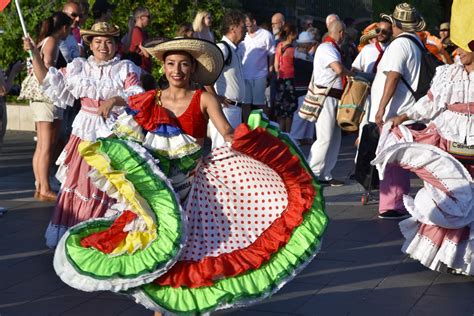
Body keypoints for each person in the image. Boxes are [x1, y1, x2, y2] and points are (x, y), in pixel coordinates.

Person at [50, 37, 328, 315]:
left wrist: (256, 141)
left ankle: (173, 309)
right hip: (158, 190)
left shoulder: (204, 98)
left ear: (193, 69)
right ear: (163, 68)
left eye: (184, 64)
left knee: (187, 254)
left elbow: (226, 132)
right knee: (156, 248)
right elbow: (131, 104)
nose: (177, 70)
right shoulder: (153, 98)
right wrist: (113, 99)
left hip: (192, 188)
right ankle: (161, 309)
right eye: (171, 63)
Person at [23, 22, 144, 247]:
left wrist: (113, 100)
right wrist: (33, 52)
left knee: (111, 186)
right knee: (82, 184)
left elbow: (136, 96)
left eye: (109, 41)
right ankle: (80, 236)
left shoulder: (125, 68)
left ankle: (106, 236)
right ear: (90, 44)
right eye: (98, 41)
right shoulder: (79, 67)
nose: (103, 46)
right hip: (85, 131)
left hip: (112, 133)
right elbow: (48, 81)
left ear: (116, 44)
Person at [373, 41, 474, 275]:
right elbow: (429, 102)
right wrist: (404, 116)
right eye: (456, 48)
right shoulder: (448, 73)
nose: (457, 53)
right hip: (450, 139)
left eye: (463, 48)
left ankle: (467, 259)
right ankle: (451, 257)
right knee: (452, 195)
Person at [371, 3, 426, 219]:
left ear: (395, 23)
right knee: (399, 159)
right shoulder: (414, 43)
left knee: (392, 159)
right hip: (405, 111)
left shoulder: (399, 45)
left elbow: (393, 76)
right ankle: (397, 202)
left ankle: (394, 205)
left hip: (397, 112)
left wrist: (381, 108)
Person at [28, 12, 72, 202]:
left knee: (41, 146)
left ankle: (40, 185)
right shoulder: (51, 42)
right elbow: (47, 67)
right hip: (47, 96)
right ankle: (44, 187)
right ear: (63, 28)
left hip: (38, 98)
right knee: (46, 145)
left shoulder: (42, 41)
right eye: (69, 28)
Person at [307, 19, 354, 187]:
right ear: (340, 33)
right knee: (325, 137)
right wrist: (351, 74)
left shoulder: (330, 47)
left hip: (333, 97)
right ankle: (311, 173)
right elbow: (339, 69)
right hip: (326, 97)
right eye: (344, 33)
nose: (344, 37)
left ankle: (325, 174)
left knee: (334, 138)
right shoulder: (326, 47)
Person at [205, 10, 246, 148]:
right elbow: (205, 73)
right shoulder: (223, 48)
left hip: (233, 110)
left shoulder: (234, 49)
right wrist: (215, 97)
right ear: (233, 28)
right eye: (243, 26)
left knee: (230, 152)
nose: (245, 30)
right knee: (222, 152)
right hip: (225, 110)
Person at [240, 12, 275, 122]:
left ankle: (263, 127)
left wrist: (270, 69)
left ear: (254, 22)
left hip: (260, 75)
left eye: (248, 25)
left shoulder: (266, 35)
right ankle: (246, 127)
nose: (246, 28)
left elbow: (272, 53)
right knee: (245, 104)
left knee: (260, 104)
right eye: (244, 26)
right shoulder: (243, 36)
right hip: (244, 75)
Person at [290, 30, 317, 144]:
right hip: (302, 87)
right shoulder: (300, 57)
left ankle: (306, 136)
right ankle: (295, 136)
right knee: (302, 112)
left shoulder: (304, 56)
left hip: (306, 87)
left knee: (309, 111)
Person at [274, 22, 297, 132]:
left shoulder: (279, 45)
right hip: (291, 80)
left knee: (280, 109)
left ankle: (280, 132)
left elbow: (275, 65)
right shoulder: (293, 49)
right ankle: (288, 133)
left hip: (281, 79)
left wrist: (278, 74)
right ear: (291, 34)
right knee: (290, 109)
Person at [122, 6, 152, 73]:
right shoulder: (136, 31)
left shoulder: (142, 32)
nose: (150, 19)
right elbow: (147, 54)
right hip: (139, 70)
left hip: (142, 69)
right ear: (141, 18)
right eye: (148, 17)